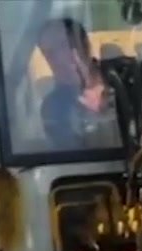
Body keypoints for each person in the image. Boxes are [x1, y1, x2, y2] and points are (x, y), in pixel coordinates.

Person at [35, 16, 117, 151]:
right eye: (49, 53)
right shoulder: (54, 108)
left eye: (63, 46)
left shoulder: (125, 80)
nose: (57, 59)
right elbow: (74, 158)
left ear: (84, 45)